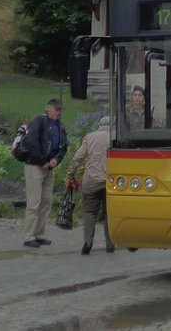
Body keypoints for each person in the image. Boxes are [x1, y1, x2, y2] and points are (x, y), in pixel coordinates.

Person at [21, 98, 68, 248]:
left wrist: (56, 160)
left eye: (60, 110)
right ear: (48, 108)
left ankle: (39, 234)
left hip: (49, 168)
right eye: (56, 109)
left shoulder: (60, 126)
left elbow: (63, 147)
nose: (58, 112)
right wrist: (41, 161)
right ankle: (29, 236)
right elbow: (32, 141)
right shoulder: (40, 121)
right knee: (33, 202)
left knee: (46, 202)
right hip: (35, 166)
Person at [66, 116, 115, 254]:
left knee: (89, 211)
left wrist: (70, 174)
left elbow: (78, 157)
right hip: (111, 181)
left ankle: (88, 241)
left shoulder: (90, 137)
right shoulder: (116, 137)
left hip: (91, 181)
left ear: (99, 125)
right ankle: (110, 244)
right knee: (109, 213)